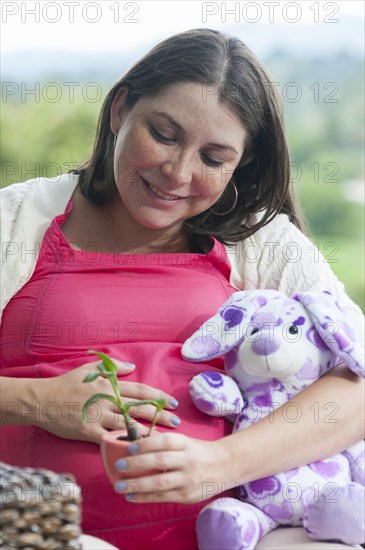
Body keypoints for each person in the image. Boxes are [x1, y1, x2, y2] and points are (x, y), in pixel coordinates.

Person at [0, 28, 364, 550]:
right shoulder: (15, 221)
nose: (177, 172)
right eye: (164, 134)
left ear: (242, 164)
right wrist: (36, 401)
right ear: (120, 109)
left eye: (213, 159)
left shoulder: (260, 242)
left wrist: (221, 464)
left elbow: (358, 384)